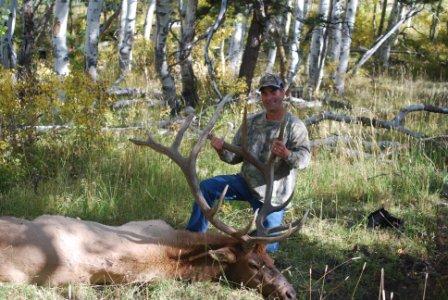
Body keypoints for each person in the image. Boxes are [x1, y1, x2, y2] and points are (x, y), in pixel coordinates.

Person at [186, 73, 311, 252]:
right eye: (265, 93)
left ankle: (253, 238)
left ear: (283, 93)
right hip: (245, 182)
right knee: (205, 188)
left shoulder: (295, 126)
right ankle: (192, 239)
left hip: (272, 197)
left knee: (267, 251)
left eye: (273, 92)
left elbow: (304, 160)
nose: (269, 97)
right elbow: (233, 158)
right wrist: (221, 149)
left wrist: (287, 153)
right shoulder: (251, 122)